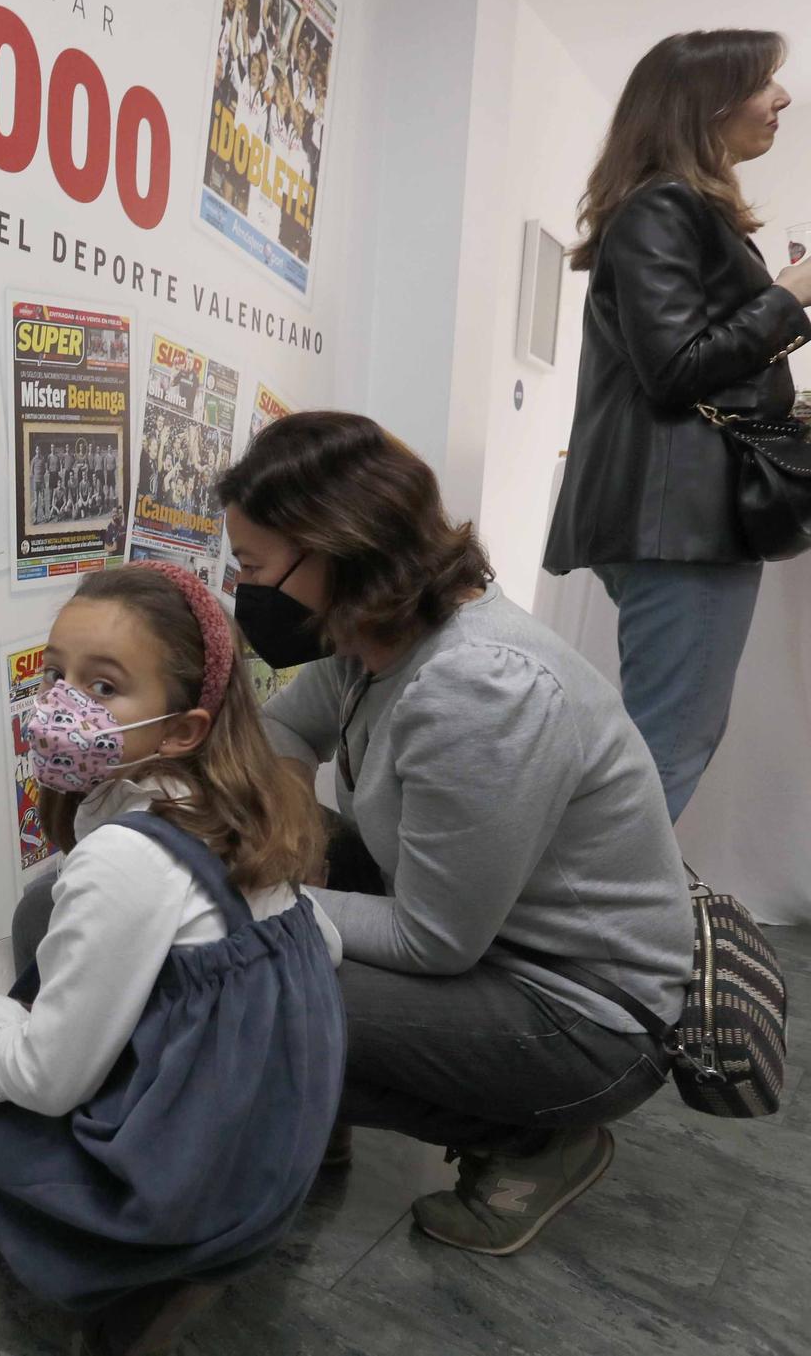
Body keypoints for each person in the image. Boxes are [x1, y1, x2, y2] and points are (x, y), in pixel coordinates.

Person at [223, 410, 691, 1256]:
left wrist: (270, 896)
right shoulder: (372, 635)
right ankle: (312, 1091)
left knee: (251, 982)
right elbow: (285, 735)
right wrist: (285, 837)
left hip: (585, 1013)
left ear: (334, 550)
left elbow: (433, 939)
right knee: (244, 899)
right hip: (491, 938)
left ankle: (538, 1139)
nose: (242, 589)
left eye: (254, 565)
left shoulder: (477, 687)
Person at [0, 562, 343, 1354]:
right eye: (56, 673)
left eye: (103, 689)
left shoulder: (124, 859)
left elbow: (50, 1080)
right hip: (264, 1172)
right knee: (39, 920)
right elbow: (319, 948)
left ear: (182, 727)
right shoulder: (234, 811)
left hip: (180, 1199)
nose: (59, 705)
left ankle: (123, 1260)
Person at [542, 29, 811, 823]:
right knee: (669, 743)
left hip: (675, 520)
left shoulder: (672, 208)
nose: (783, 100)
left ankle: (599, 919)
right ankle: (594, 930)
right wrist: (790, 295)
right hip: (680, 523)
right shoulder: (664, 205)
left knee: (668, 735)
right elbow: (676, 368)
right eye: (766, 83)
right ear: (707, 104)